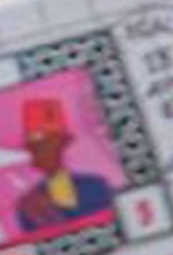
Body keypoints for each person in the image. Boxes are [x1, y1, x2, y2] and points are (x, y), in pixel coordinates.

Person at [9, 97, 114, 235]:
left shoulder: (96, 185)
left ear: (62, 144)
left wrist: (52, 216)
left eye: (47, 143)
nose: (40, 152)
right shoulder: (29, 203)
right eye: (35, 146)